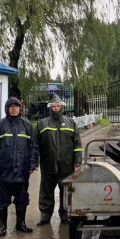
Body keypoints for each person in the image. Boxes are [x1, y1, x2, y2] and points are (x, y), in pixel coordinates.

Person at [0, 97, 39, 237]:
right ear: (7, 109)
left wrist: (33, 164)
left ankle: (20, 224)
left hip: (22, 171)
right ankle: (2, 226)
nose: (14, 108)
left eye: (17, 106)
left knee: (22, 198)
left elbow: (34, 147)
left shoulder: (27, 125)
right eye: (11, 106)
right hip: (4, 171)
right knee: (2, 199)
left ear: (20, 108)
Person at [36, 95, 83, 226]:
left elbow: (77, 143)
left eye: (58, 105)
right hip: (48, 164)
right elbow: (35, 145)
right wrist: (34, 162)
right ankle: (45, 216)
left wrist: (78, 158)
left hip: (66, 165)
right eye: (54, 105)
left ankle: (65, 215)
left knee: (66, 192)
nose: (56, 107)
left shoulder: (70, 123)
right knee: (46, 191)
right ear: (50, 107)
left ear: (62, 107)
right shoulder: (42, 124)